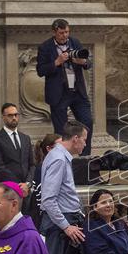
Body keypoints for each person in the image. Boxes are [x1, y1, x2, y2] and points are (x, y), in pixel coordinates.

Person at [36, 19, 94, 155]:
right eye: (61, 33)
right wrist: (56, 62)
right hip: (59, 94)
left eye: (67, 32)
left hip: (77, 91)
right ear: (54, 32)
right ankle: (64, 158)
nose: (65, 35)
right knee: (61, 130)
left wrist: (83, 61)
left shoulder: (75, 42)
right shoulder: (45, 47)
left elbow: (88, 63)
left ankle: (84, 158)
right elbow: (40, 70)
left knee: (87, 122)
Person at [39, 120, 88, 254]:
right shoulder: (58, 159)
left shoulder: (59, 156)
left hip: (66, 220)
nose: (85, 144)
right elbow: (48, 200)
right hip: (59, 225)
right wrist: (66, 227)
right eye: (84, 139)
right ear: (75, 138)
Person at [0, 102, 33, 191]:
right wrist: (17, 185)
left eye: (16, 115)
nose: (14, 118)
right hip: (7, 188)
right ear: (3, 117)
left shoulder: (25, 138)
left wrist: (27, 183)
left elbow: (32, 164)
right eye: (10, 115)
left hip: (26, 189)